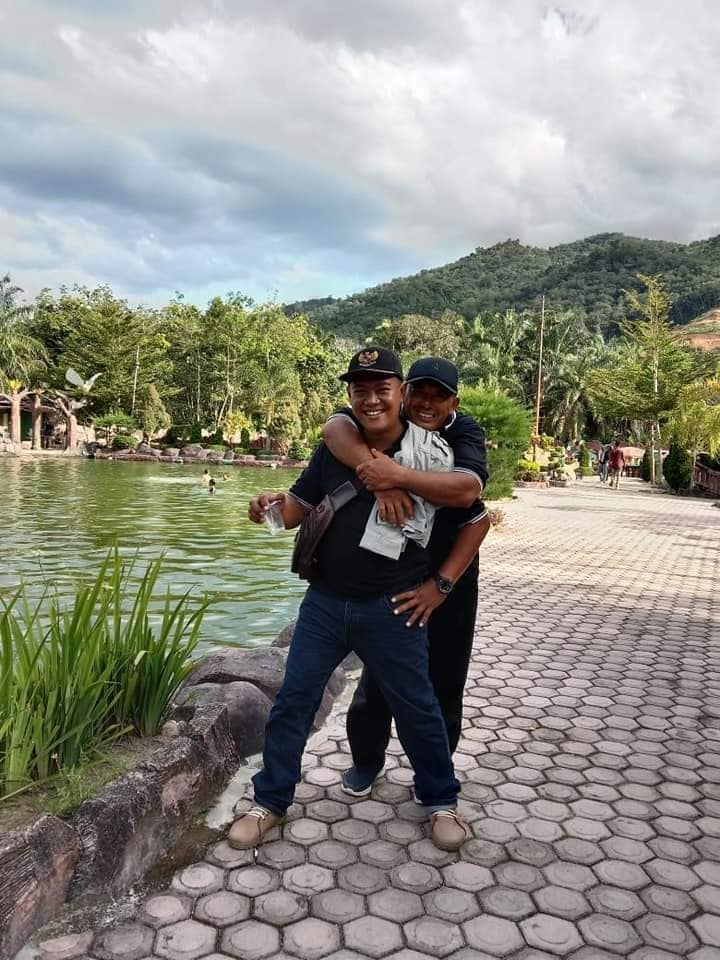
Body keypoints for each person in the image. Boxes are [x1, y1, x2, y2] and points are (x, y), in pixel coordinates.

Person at [229, 347, 468, 853]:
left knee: (419, 708)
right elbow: (296, 509)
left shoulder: (430, 457)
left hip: (393, 606)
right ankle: (269, 801)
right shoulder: (337, 446)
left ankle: (440, 800)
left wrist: (441, 585)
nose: (371, 399)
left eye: (383, 388)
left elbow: (474, 516)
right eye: (361, 389)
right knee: (293, 700)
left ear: (401, 394)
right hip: (325, 602)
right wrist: (267, 508)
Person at [322, 357, 489, 796]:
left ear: (454, 402)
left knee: (446, 677)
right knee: (378, 676)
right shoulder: (383, 424)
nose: (427, 404)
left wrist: (395, 475)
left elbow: (470, 499)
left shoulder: (463, 434)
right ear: (404, 392)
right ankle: (366, 760)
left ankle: (435, 773)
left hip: (449, 576)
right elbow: (334, 427)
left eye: (439, 396)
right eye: (420, 393)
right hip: (394, 575)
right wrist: (383, 480)